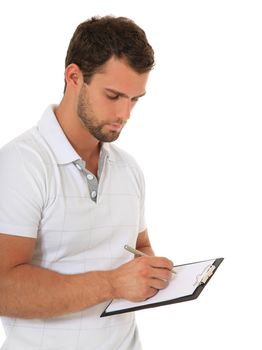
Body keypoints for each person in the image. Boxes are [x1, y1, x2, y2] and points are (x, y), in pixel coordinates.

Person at [0, 16, 173, 350]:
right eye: (113, 95)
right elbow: (3, 289)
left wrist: (151, 272)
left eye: (135, 99)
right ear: (74, 76)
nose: (125, 114)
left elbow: (139, 247)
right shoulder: (21, 164)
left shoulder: (128, 168)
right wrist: (111, 284)